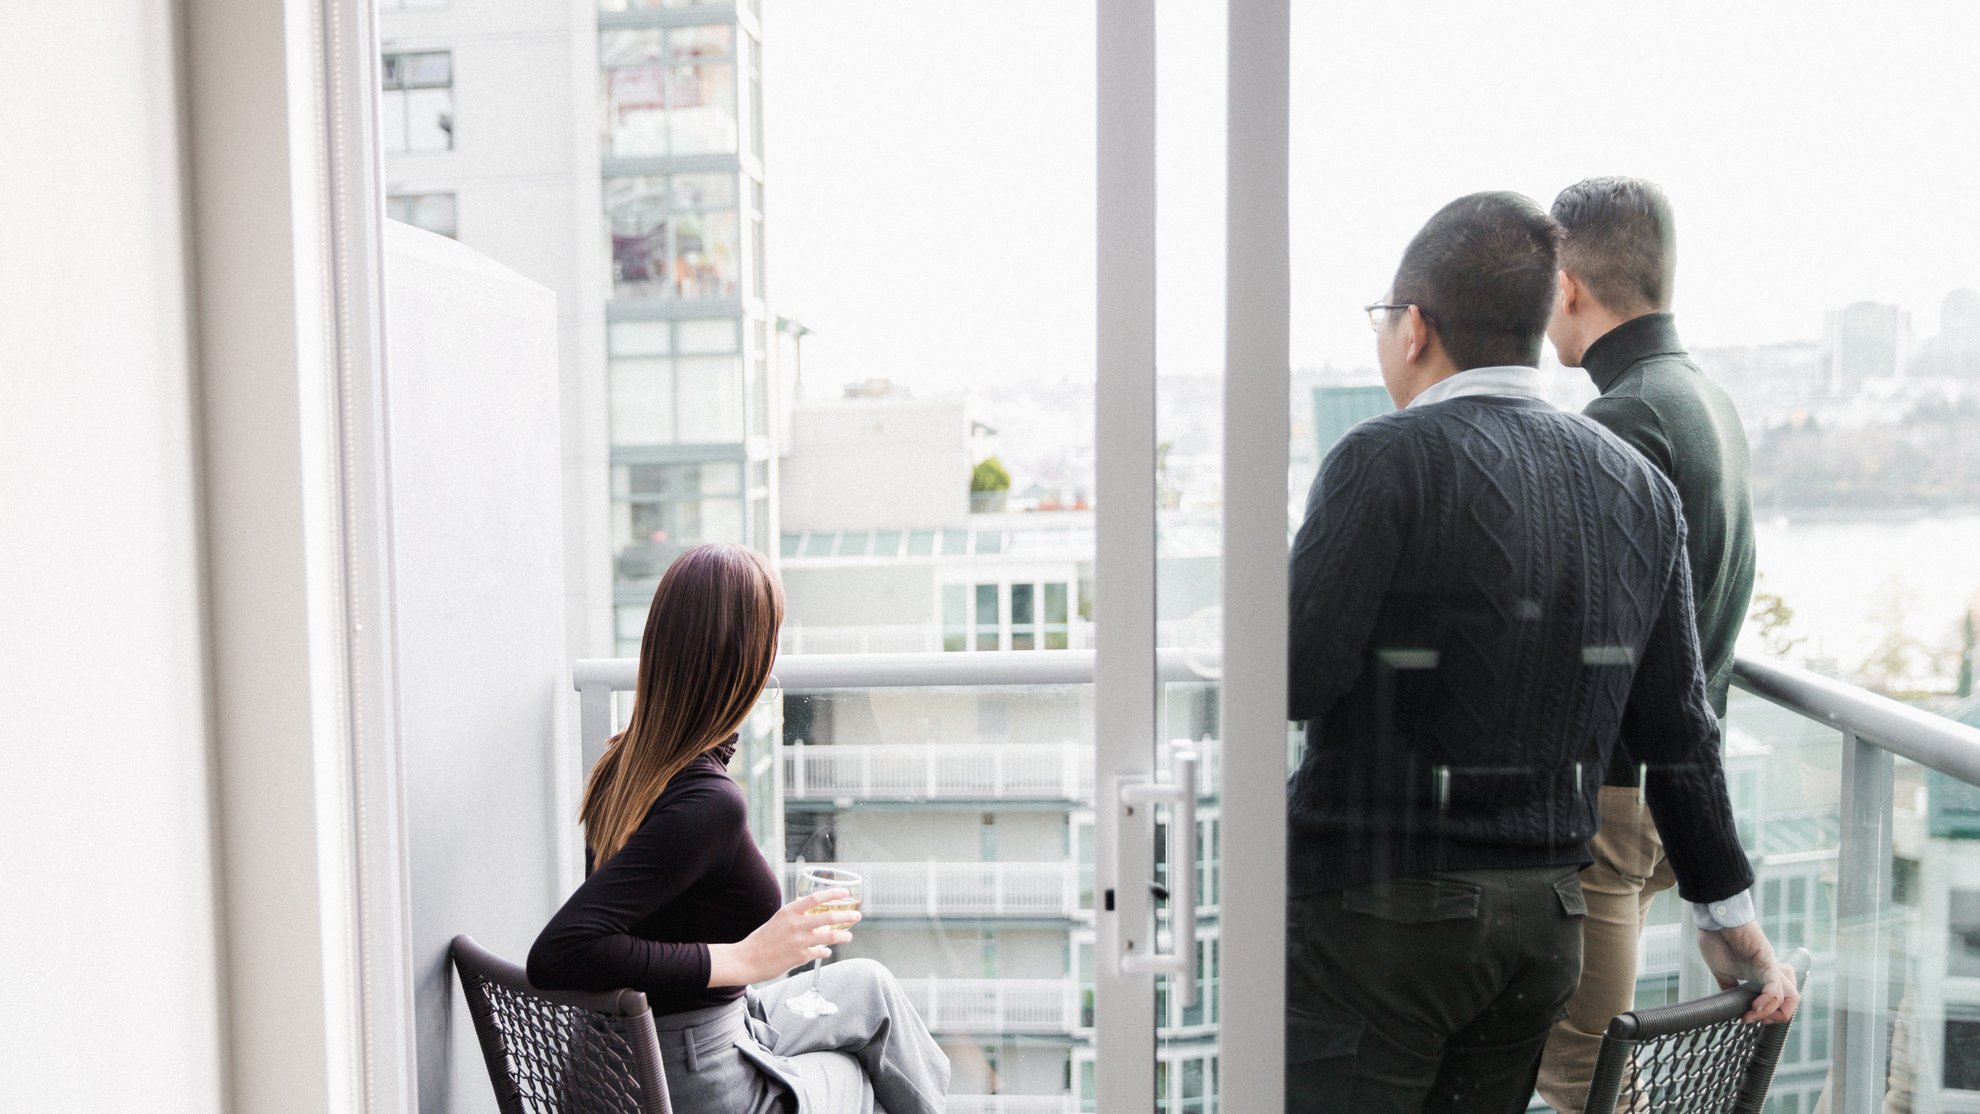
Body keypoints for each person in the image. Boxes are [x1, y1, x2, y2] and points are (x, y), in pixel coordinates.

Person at [1285, 192, 1797, 1114]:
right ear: (1537, 321)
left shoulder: (1380, 459)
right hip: (1544, 924)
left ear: (1414, 329)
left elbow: (1297, 676)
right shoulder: (1636, 483)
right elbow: (1680, 726)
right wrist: (1730, 918)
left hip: (1379, 916)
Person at [528, 543, 950, 1114]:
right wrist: (746, 959)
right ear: (745, 661)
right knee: (853, 1072)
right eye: (771, 637)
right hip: (695, 1076)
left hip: (643, 1053)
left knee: (869, 988)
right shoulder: (708, 803)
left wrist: (750, 959)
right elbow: (560, 951)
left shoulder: (629, 762)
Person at [1534, 176, 1762, 1114]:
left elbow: (1582, 641)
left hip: (1618, 798)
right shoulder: (1704, 399)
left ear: (1568, 285)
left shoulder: (1621, 422)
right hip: (1668, 793)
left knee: (1583, 1068)